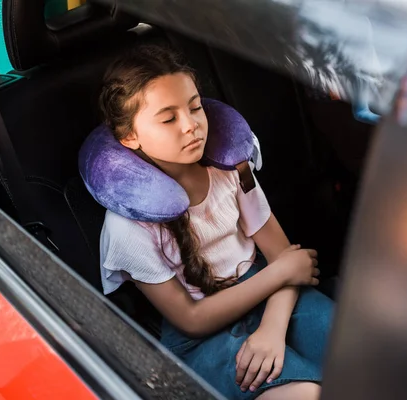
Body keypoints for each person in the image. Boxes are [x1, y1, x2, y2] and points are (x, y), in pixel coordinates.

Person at [98, 44, 334, 400]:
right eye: (168, 118)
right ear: (129, 136)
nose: (191, 125)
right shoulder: (127, 227)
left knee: (373, 359)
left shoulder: (230, 169)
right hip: (207, 335)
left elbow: (284, 256)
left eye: (195, 107)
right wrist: (280, 273)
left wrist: (272, 326)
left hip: (274, 296)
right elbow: (192, 320)